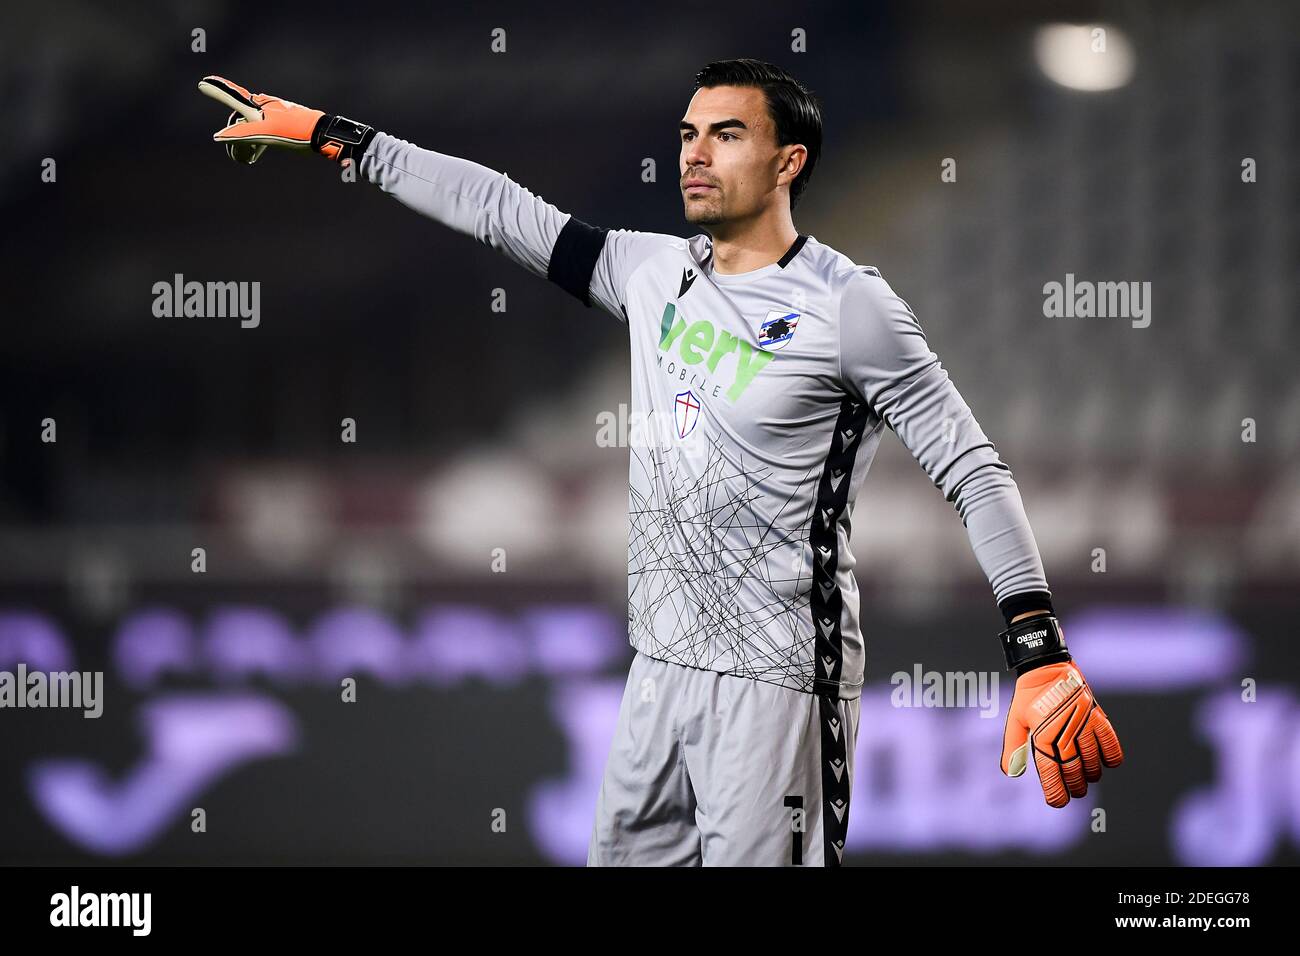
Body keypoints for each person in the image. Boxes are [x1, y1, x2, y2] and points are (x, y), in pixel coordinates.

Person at [198, 58, 1123, 867]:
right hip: (658, 673)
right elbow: (497, 209)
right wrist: (334, 136)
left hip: (778, 688)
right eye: (688, 134)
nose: (694, 153)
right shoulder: (651, 274)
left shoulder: (850, 308)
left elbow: (972, 467)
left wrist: (1037, 649)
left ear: (787, 161)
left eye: (725, 134)